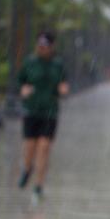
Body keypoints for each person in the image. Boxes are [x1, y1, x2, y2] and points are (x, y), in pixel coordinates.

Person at [16, 31, 70, 201]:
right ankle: (27, 168)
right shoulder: (30, 62)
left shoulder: (58, 65)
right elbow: (21, 82)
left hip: (50, 112)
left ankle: (39, 185)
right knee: (30, 146)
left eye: (45, 47)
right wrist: (24, 90)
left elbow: (63, 84)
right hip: (32, 110)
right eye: (40, 46)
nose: (42, 49)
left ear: (51, 47)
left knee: (44, 148)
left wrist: (63, 90)